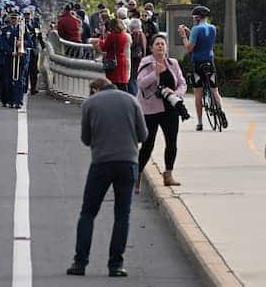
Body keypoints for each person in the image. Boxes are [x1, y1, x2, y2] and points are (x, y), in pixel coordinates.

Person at [67, 78, 148, 278]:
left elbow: (86, 139)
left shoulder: (90, 104)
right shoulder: (131, 101)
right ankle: (116, 265)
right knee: (122, 215)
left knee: (88, 213)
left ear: (95, 89)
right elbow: (143, 135)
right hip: (128, 164)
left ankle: (80, 262)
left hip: (101, 163)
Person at [136, 34, 188, 193]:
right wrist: (155, 74)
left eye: (163, 44)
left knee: (171, 142)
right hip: (150, 109)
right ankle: (136, 176)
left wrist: (177, 94)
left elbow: (182, 83)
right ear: (151, 47)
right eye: (157, 44)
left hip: (170, 108)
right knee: (148, 144)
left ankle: (168, 174)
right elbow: (140, 84)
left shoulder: (173, 63)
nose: (160, 47)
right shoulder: (146, 63)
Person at [179, 5, 228, 130]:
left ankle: (200, 123)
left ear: (197, 17)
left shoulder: (196, 29)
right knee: (215, 90)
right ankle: (220, 110)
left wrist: (184, 36)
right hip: (210, 62)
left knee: (198, 94)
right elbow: (203, 40)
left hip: (198, 63)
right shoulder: (212, 28)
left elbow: (190, 47)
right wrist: (190, 31)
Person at [0, 10, 28, 108]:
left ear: (18, 19)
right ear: (9, 19)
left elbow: (30, 42)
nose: (14, 20)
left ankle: (18, 100)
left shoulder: (23, 29)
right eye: (12, 18)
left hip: (20, 57)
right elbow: (2, 42)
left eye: (15, 18)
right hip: (8, 57)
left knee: (19, 80)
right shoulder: (5, 30)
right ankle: (9, 100)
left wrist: (22, 44)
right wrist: (10, 51)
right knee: (7, 81)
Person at [92, 18, 129, 92]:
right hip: (122, 60)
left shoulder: (112, 36)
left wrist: (100, 42)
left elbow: (104, 48)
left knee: (113, 82)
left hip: (112, 61)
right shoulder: (125, 36)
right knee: (122, 82)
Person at [127, 19, 146, 96]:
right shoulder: (142, 34)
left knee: (132, 82)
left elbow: (132, 45)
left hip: (134, 61)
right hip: (139, 60)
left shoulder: (135, 34)